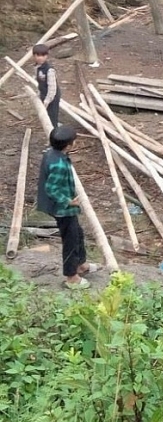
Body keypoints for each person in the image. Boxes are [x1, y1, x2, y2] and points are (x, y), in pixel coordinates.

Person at [37, 126, 100, 290]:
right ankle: (71, 276)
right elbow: (51, 188)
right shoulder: (59, 165)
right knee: (70, 240)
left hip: (65, 207)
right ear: (68, 145)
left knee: (78, 233)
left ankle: (81, 264)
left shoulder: (52, 153)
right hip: (62, 209)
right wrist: (68, 201)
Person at [33, 43, 61, 127]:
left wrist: (47, 101)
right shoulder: (37, 67)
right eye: (38, 55)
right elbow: (39, 82)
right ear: (34, 56)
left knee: (52, 116)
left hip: (52, 97)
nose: (40, 57)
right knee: (46, 115)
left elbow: (52, 88)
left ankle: (54, 132)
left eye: (43, 55)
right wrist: (39, 93)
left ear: (47, 56)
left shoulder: (49, 70)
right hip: (44, 93)